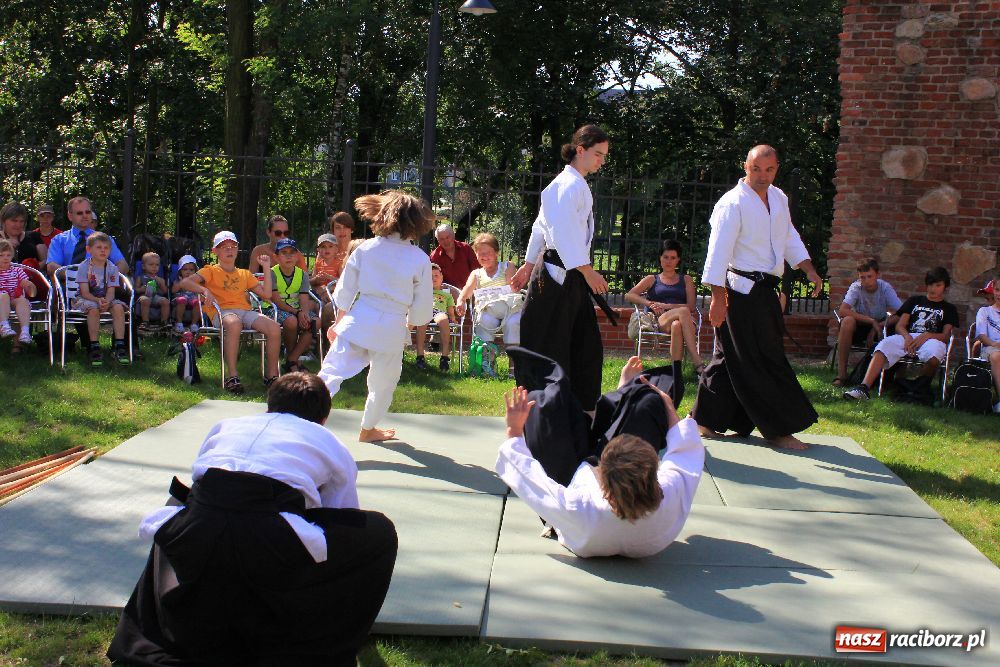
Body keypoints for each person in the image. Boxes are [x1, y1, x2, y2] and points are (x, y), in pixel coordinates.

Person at [107, 372, 398, 667]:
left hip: (197, 531)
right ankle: (321, 633)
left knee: (180, 507)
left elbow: (201, 476)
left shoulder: (227, 426)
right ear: (323, 417)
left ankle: (172, 623)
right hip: (268, 539)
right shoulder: (330, 443)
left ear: (268, 405)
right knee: (379, 533)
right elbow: (342, 514)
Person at [496, 350, 703, 558]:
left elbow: (530, 479)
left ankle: (617, 400)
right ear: (653, 475)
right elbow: (683, 452)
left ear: (604, 488)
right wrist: (666, 402)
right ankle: (623, 395)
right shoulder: (668, 497)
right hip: (607, 485)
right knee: (649, 398)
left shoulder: (577, 510)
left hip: (570, 477)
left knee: (543, 402)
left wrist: (514, 430)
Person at [691, 145, 823, 450]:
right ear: (745, 167)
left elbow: (788, 236)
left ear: (777, 168)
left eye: (769, 170)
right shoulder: (732, 203)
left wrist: (809, 270)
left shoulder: (778, 199)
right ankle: (778, 429)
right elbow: (718, 253)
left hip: (764, 290)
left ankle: (706, 421)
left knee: (728, 359)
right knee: (764, 358)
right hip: (739, 292)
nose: (763, 176)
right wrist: (717, 298)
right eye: (756, 169)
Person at [510, 124, 613, 413]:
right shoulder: (565, 186)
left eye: (604, 155)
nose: (601, 161)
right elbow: (558, 234)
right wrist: (588, 271)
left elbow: (542, 228)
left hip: (569, 277)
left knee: (584, 345)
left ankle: (580, 407)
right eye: (597, 154)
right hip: (559, 277)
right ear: (579, 150)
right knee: (547, 344)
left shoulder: (573, 184)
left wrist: (529, 266)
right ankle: (542, 406)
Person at [318, 190, 434, 443]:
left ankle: (300, 417)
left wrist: (339, 322)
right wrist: (411, 322)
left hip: (358, 321)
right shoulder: (419, 258)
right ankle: (368, 428)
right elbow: (423, 306)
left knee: (330, 373)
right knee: (383, 384)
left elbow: (345, 291)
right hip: (391, 328)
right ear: (416, 222)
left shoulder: (366, 248)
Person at [178, 231, 281, 393]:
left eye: (233, 246)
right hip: (222, 312)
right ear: (215, 251)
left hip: (245, 311)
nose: (229, 250)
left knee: (274, 327)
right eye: (224, 247)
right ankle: (232, 376)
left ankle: (272, 375)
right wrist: (204, 291)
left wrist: (267, 268)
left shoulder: (244, 274)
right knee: (234, 324)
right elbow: (185, 282)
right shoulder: (210, 271)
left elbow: (267, 295)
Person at [843, 266, 959, 401]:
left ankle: (919, 388)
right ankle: (863, 388)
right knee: (883, 345)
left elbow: (945, 336)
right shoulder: (915, 301)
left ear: (945, 287)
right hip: (908, 335)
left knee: (934, 355)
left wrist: (927, 335)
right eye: (930, 285)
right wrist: (907, 336)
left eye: (938, 285)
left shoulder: (949, 309)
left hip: (933, 339)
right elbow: (900, 325)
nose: (933, 289)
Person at [624, 239, 705, 372]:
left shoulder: (687, 280)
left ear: (678, 260)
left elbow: (690, 306)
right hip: (659, 321)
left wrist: (665, 305)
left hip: (685, 322)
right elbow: (629, 295)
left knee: (677, 324)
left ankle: (675, 372)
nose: (668, 261)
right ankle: (697, 361)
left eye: (673, 258)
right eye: (665, 257)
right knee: (682, 311)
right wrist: (649, 303)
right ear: (660, 258)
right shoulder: (652, 279)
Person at [833, 257, 902, 386]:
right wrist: (871, 321)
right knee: (847, 321)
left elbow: (901, 313)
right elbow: (843, 310)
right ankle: (842, 374)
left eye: (870, 276)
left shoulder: (885, 287)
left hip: (880, 327)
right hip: (860, 326)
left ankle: (892, 377)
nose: (866, 281)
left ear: (877, 275)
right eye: (862, 277)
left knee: (899, 326)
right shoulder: (856, 287)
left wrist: (879, 325)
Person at [456, 232, 523, 347]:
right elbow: (467, 289)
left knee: (513, 322)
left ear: (496, 253)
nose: (485, 257)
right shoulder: (476, 274)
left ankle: (514, 363)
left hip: (510, 309)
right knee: (483, 320)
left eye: (488, 253)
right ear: (476, 255)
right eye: (481, 253)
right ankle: (487, 360)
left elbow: (512, 288)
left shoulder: (507, 266)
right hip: (489, 311)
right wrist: (461, 301)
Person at [75, 232, 130, 366]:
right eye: (99, 247)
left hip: (105, 299)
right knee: (93, 310)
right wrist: (97, 300)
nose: (103, 250)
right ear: (89, 250)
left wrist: (107, 301)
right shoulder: (84, 267)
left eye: (106, 248)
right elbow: (84, 292)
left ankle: (119, 345)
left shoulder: (112, 268)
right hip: (86, 298)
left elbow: (111, 291)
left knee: (118, 307)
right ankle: (94, 346)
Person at [46, 196, 129, 277]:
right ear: (70, 216)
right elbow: (51, 267)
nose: (85, 216)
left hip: (100, 287)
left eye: (88, 212)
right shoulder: (59, 240)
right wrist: (78, 275)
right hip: (69, 287)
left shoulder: (105, 239)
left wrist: (105, 277)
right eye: (79, 213)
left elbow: (123, 266)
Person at [270, 238, 316, 373]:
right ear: (276, 257)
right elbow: (276, 300)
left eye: (292, 252)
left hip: (296, 309)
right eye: (284, 252)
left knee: (314, 322)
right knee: (291, 321)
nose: (288, 256)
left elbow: (304, 298)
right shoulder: (272, 273)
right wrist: (297, 313)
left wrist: (304, 313)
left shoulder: (302, 275)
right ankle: (294, 361)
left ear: (297, 256)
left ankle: (292, 359)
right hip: (276, 309)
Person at [413, 263, 457, 371]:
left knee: (443, 321)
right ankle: (420, 356)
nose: (433, 278)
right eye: (430, 276)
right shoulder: (423, 291)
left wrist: (452, 317)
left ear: (442, 277)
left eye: (436, 276)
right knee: (421, 322)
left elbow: (450, 308)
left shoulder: (446, 294)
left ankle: (444, 357)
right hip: (425, 311)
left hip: (439, 312)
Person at [0, 238, 36, 350]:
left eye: (8, 255)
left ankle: (25, 332)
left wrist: (28, 285)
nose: (5, 258)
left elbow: (32, 291)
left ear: (12, 256)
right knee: (3, 295)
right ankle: (4, 325)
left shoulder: (17, 270)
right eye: (1, 255)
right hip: (1, 299)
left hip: (14, 299)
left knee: (23, 300)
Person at [971, 279, 1000, 413]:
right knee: (996, 356)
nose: (999, 294)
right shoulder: (985, 311)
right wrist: (994, 344)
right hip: (989, 349)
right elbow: (981, 336)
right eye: (998, 290)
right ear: (994, 291)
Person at [429, 222, 479, 289]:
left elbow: (477, 270)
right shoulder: (434, 256)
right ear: (438, 240)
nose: (445, 241)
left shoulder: (465, 248)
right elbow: (434, 279)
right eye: (442, 239)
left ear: (453, 235)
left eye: (447, 237)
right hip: (448, 296)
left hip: (470, 291)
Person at [0, 202, 47, 269]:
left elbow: (46, 260)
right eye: (14, 221)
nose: (18, 225)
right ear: (4, 220)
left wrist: (32, 268)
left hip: (30, 277)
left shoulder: (34, 236)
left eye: (21, 221)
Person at [135, 252, 169, 330]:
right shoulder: (140, 278)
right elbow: (135, 290)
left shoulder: (160, 279)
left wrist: (161, 284)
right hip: (144, 296)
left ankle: (164, 322)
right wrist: (141, 289)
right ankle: (145, 322)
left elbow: (165, 291)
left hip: (155, 296)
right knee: (146, 300)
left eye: (157, 265)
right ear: (143, 266)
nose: (154, 267)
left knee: (165, 301)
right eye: (151, 265)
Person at [170, 254, 202, 334]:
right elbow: (173, 290)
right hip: (180, 298)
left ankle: (194, 323)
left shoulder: (196, 281)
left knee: (197, 302)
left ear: (195, 272)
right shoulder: (178, 280)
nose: (188, 272)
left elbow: (200, 291)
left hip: (193, 298)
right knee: (182, 300)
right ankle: (179, 322)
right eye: (185, 269)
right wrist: (181, 283)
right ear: (180, 271)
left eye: (191, 270)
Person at [324, 211, 356, 280]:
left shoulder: (357, 250)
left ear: (351, 229)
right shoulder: (325, 250)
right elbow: (314, 281)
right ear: (333, 231)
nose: (342, 231)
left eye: (345, 227)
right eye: (338, 227)